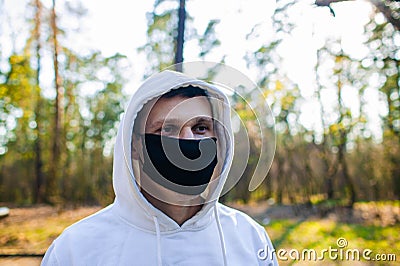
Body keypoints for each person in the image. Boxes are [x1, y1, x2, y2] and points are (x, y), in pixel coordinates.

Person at [42, 70, 278, 265]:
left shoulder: (250, 239)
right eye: (167, 129)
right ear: (134, 146)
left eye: (200, 128)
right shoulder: (75, 250)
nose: (188, 143)